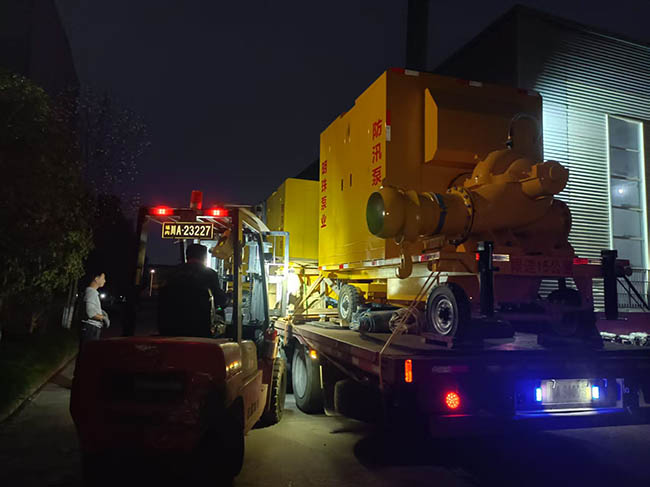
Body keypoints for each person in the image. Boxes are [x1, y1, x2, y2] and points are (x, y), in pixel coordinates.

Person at [158, 243, 227, 338]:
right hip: (200, 328)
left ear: (187, 256)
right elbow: (220, 299)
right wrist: (227, 299)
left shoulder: (172, 273)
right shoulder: (209, 274)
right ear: (204, 258)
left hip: (169, 327)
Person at [80, 271, 110, 346]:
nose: (105, 281)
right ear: (96, 279)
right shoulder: (91, 292)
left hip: (90, 328)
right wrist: (104, 318)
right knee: (89, 351)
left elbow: (91, 308)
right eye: (103, 278)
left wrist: (101, 312)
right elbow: (90, 312)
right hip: (91, 328)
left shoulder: (91, 292)